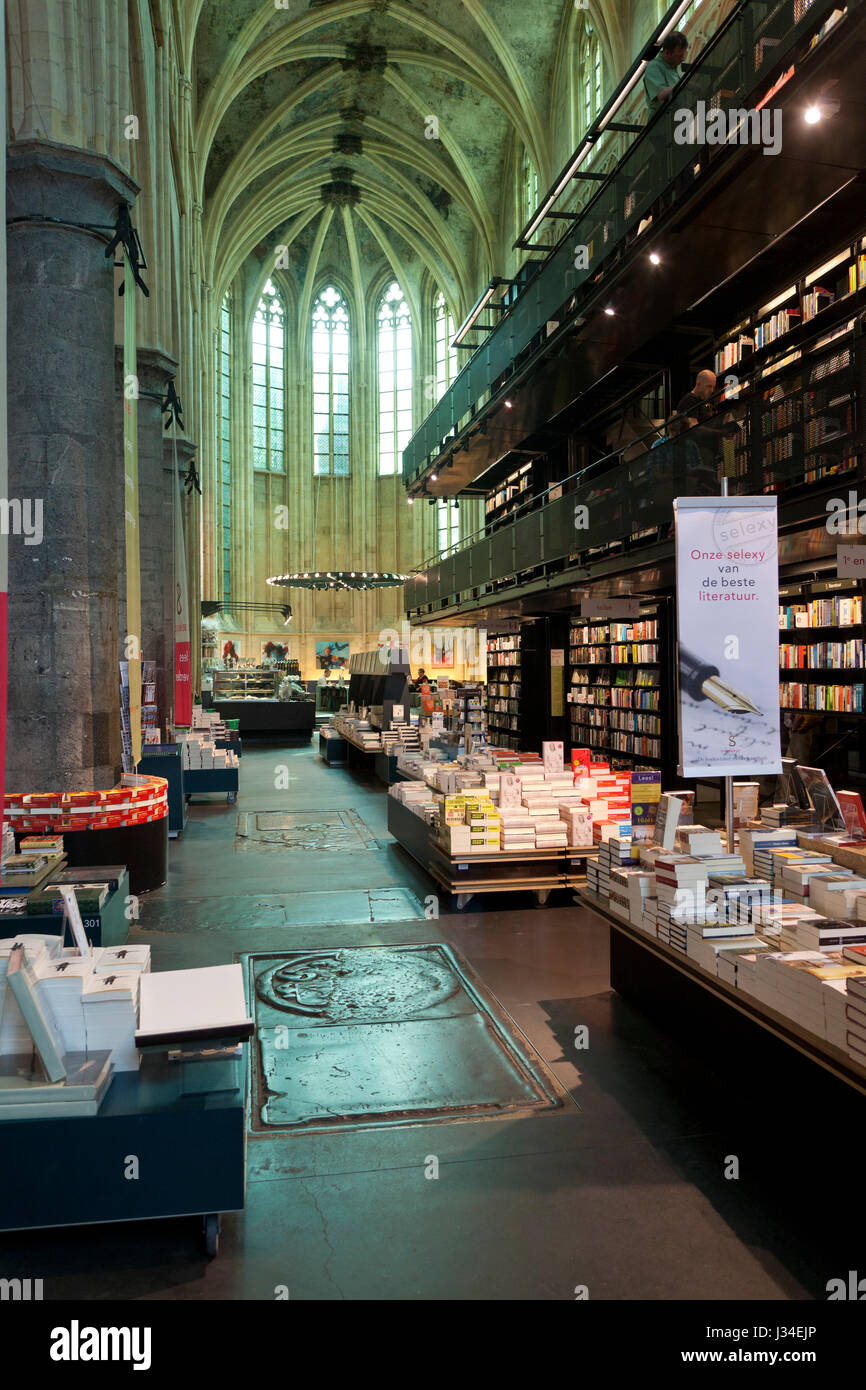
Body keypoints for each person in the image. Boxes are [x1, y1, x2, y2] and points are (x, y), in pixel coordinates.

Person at [643, 31, 688, 119]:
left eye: (684, 54)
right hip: (661, 124)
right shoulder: (654, 66)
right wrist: (686, 85)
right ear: (667, 53)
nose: (683, 59)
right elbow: (661, 94)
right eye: (679, 56)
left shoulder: (674, 68)